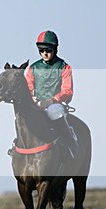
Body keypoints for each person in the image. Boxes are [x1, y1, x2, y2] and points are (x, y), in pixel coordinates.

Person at [24, 30, 78, 158]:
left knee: (54, 112)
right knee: (22, 116)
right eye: (41, 50)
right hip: (37, 104)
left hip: (55, 105)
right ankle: (18, 146)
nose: (44, 53)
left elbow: (67, 91)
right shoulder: (33, 68)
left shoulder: (64, 67)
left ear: (54, 49)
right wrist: (32, 98)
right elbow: (28, 88)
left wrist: (51, 101)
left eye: (48, 50)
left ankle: (70, 142)